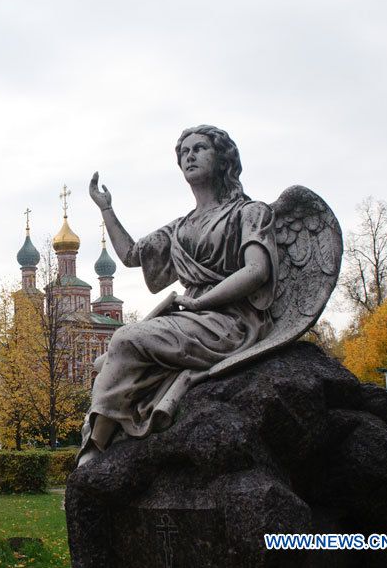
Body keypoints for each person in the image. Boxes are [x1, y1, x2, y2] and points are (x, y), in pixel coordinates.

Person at [80, 125, 277, 465]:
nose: (190, 155)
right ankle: (114, 442)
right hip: (190, 317)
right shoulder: (180, 228)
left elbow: (257, 270)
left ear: (223, 159)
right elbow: (131, 255)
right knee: (104, 362)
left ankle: (94, 450)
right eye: (185, 151)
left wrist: (203, 301)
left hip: (230, 321)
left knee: (124, 341)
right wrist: (106, 209)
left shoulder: (250, 212)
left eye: (200, 148)